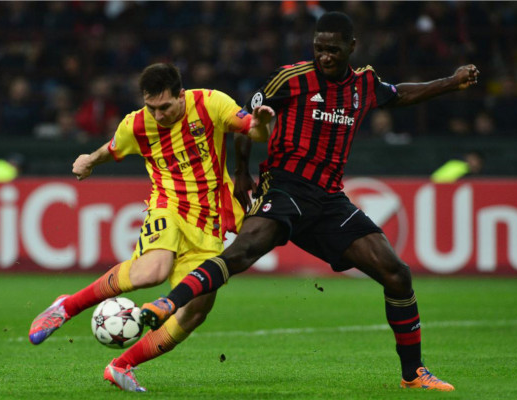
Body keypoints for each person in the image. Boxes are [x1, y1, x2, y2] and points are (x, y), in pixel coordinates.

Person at [141, 12, 481, 392]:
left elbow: (399, 94)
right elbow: (246, 122)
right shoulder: (291, 78)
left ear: (351, 47)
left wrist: (451, 82)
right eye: (319, 49)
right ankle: (167, 304)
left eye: (333, 50)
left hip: (329, 199)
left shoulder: (364, 84)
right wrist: (240, 173)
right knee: (242, 253)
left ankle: (413, 373)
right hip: (284, 186)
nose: (325, 57)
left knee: (396, 272)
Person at [28, 63, 274, 392]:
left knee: (195, 311)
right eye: (151, 107)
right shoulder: (137, 124)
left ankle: (121, 365)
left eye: (165, 107)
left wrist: (262, 125)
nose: (157, 115)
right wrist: (89, 159)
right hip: (168, 206)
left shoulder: (211, 103)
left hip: (210, 220)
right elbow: (112, 148)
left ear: (181, 95)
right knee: (152, 272)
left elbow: (253, 132)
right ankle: (65, 307)